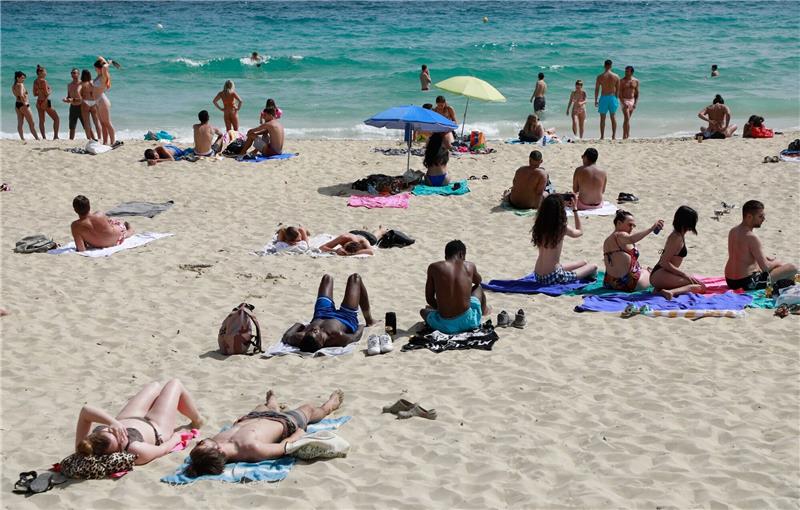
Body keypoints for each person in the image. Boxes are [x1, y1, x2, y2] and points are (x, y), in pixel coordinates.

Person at [185, 388, 343, 476]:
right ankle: (330, 405)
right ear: (218, 450)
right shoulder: (251, 449)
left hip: (253, 417)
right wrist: (298, 434)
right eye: (201, 444)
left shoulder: (216, 441)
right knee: (308, 408)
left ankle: (272, 403)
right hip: (285, 422)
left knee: (263, 406)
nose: (199, 441)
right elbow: (283, 448)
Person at [74, 379, 203, 465]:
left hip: (127, 417)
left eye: (111, 431)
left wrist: (113, 423)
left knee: (155, 386)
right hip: (156, 427)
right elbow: (162, 449)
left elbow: (85, 411)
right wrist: (176, 438)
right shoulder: (135, 450)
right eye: (120, 441)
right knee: (174, 384)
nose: (122, 435)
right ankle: (198, 420)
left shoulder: (86, 446)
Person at [281, 274, 376, 352]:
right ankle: (370, 320)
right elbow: (354, 337)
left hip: (321, 313)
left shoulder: (300, 337)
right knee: (355, 278)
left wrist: (302, 328)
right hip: (346, 317)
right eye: (315, 332)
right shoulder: (336, 336)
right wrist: (361, 326)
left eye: (310, 331)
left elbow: (290, 333)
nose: (313, 329)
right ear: (321, 342)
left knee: (327, 278)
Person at [724, 200, 797, 290]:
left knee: (772, 267)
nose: (763, 219)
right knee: (792, 268)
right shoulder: (751, 237)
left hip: (730, 281)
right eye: (760, 216)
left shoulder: (733, 231)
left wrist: (764, 258)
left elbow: (741, 255)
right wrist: (777, 262)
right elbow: (765, 267)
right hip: (747, 283)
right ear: (749, 217)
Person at [420, 240, 490, 334]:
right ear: (461, 254)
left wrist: (441, 308)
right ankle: (484, 310)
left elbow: (429, 298)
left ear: (446, 256)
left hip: (445, 326)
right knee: (478, 288)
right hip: (469, 322)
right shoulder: (469, 266)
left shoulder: (434, 267)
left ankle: (444, 311)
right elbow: (478, 281)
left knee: (423, 311)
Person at [531, 195, 597, 284]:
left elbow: (549, 202)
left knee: (583, 263)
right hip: (553, 276)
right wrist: (575, 209)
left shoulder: (539, 225)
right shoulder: (561, 227)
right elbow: (580, 232)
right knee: (594, 266)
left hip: (538, 275)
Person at [650, 206, 705, 299]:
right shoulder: (676, 238)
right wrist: (683, 274)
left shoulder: (678, 235)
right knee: (701, 287)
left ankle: (659, 290)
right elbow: (664, 262)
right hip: (659, 274)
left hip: (663, 273)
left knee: (694, 282)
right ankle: (671, 292)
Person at [602, 210, 664, 291]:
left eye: (633, 226)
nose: (631, 228)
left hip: (609, 283)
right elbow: (631, 239)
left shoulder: (608, 240)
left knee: (645, 268)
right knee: (655, 273)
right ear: (619, 223)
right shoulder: (620, 235)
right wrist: (651, 229)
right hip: (628, 283)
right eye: (629, 225)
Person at [92, 56, 116, 146]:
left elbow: (105, 68)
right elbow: (101, 58)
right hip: (97, 101)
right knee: (102, 123)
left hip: (102, 101)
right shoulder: (99, 76)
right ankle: (105, 142)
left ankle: (113, 142)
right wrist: (103, 60)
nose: (95, 70)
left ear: (100, 69)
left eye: (96, 69)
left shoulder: (104, 77)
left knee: (107, 123)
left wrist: (109, 63)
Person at [594, 59, 620, 140]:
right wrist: (616, 99)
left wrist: (596, 100)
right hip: (612, 97)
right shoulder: (616, 76)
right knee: (613, 117)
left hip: (604, 97)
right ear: (611, 66)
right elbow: (618, 90)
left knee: (602, 118)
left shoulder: (600, 77)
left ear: (604, 66)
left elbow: (597, 89)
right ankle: (613, 136)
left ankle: (602, 136)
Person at [33, 65, 60, 139]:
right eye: (45, 72)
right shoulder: (44, 81)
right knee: (56, 118)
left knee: (41, 121)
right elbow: (46, 93)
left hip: (38, 102)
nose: (46, 73)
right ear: (40, 72)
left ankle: (44, 137)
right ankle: (55, 136)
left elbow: (34, 94)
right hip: (45, 101)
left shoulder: (35, 81)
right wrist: (50, 89)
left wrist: (40, 91)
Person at [11, 71, 39, 140]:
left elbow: (16, 95)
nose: (24, 79)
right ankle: (37, 138)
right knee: (31, 123)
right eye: (22, 78)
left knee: (20, 123)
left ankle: (22, 138)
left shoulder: (14, 85)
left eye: (24, 78)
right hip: (23, 105)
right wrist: (25, 103)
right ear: (17, 78)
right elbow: (21, 94)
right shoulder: (20, 84)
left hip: (17, 105)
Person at [62, 68, 85, 140]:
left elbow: (84, 97)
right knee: (72, 126)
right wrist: (66, 99)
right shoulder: (69, 85)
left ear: (78, 74)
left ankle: (91, 139)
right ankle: (71, 140)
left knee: (86, 125)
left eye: (75, 73)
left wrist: (73, 99)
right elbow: (69, 96)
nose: (73, 74)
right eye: (72, 73)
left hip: (82, 107)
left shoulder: (82, 84)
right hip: (73, 107)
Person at [619, 66, 639, 140]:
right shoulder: (622, 81)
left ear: (632, 72)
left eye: (627, 71)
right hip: (624, 100)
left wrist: (635, 103)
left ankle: (627, 135)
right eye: (625, 71)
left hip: (632, 100)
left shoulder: (636, 81)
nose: (626, 72)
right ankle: (624, 135)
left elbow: (637, 93)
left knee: (627, 119)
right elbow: (619, 93)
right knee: (627, 118)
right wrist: (623, 102)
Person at [80, 69, 100, 141]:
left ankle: (89, 138)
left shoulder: (81, 84)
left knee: (86, 122)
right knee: (96, 122)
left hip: (85, 102)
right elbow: (99, 76)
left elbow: (79, 94)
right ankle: (99, 138)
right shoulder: (92, 82)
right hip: (93, 102)